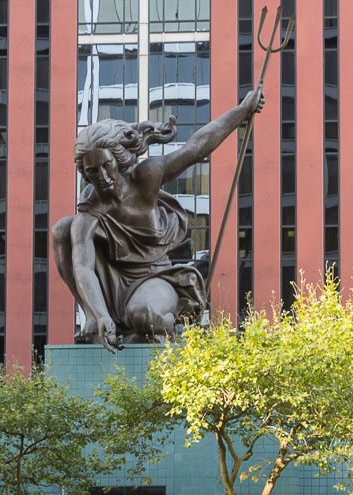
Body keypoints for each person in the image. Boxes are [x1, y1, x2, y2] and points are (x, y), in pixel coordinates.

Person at [52, 89, 264, 351]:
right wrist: (101, 314)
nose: (103, 177)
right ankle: (94, 320)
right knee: (62, 229)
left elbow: (196, 148)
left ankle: (169, 330)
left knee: (143, 316)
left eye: (106, 166)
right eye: (92, 172)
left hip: (156, 277)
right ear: (85, 174)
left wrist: (242, 110)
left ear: (117, 159)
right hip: (113, 285)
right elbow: (82, 267)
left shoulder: (146, 177)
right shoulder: (89, 212)